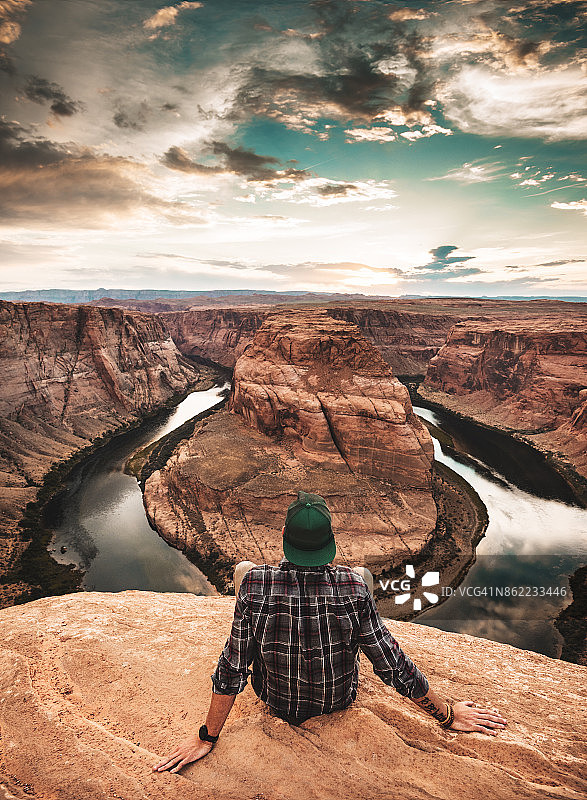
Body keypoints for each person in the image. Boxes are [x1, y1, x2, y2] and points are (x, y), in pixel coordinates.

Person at [154, 491, 507, 773]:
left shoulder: (254, 584)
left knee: (243, 569)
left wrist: (207, 737)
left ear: (283, 537)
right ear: (330, 541)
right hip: (336, 701)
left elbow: (232, 669)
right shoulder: (352, 587)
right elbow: (392, 665)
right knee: (364, 576)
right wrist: (446, 716)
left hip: (276, 701)